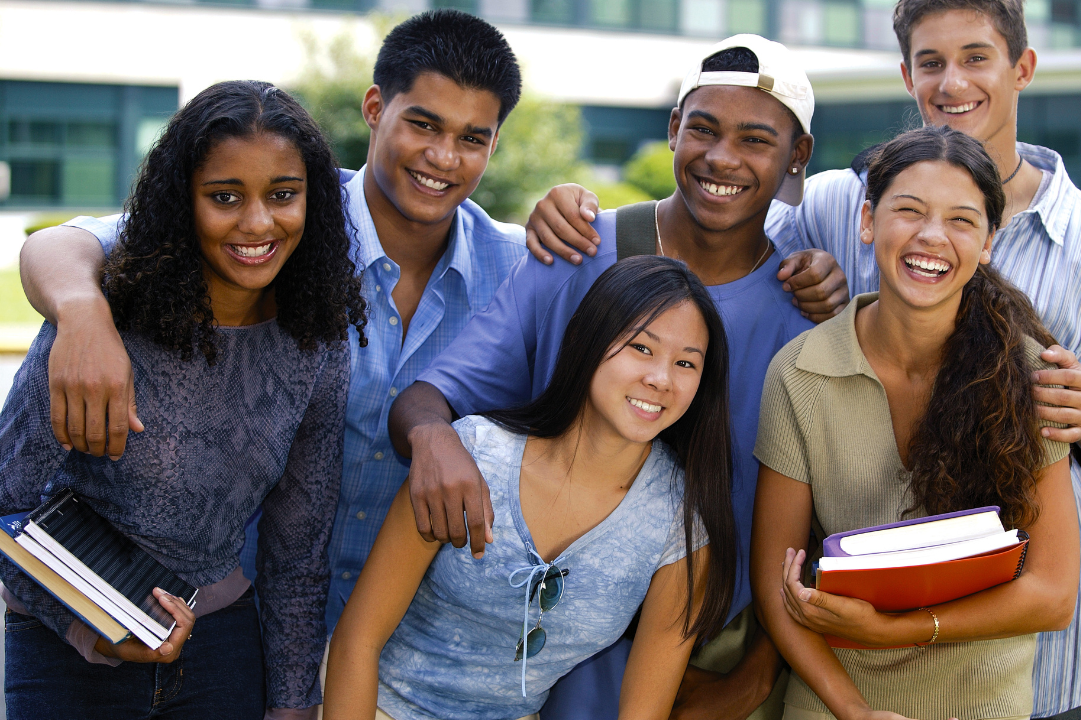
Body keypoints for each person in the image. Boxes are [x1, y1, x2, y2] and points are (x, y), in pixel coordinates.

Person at [18, 11, 848, 632]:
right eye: (422, 124)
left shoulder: (518, 261)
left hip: (412, 629)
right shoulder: (280, 223)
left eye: (472, 138)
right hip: (228, 613)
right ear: (376, 108)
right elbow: (62, 247)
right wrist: (86, 315)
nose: (443, 157)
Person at [527, 2, 1081, 717]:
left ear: (1021, 68)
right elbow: (723, 214)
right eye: (931, 62)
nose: (951, 81)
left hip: (1059, 655)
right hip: (851, 652)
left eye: (976, 57)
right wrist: (579, 215)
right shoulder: (841, 204)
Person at [388, 35, 821, 720]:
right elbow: (429, 399)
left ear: (798, 157)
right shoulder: (579, 250)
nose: (722, 158)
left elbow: (817, 518)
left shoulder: (804, 314)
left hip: (713, 653)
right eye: (702, 129)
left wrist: (760, 669)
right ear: (673, 129)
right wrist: (433, 437)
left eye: (756, 140)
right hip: (536, 652)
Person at [0, 80, 364, 719]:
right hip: (65, 652)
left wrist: (292, 704)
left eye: (283, 195)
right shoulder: (103, 319)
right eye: (224, 197)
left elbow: (298, 552)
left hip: (221, 654)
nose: (257, 223)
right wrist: (93, 629)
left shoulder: (316, 342)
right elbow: (5, 499)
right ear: (182, 200)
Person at [753, 125, 1079, 720]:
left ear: (987, 242)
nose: (932, 236)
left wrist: (898, 630)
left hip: (986, 706)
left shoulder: (1029, 375)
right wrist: (854, 710)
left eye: (961, 219)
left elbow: (1053, 595)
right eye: (909, 211)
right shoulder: (800, 373)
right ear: (867, 222)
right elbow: (778, 585)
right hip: (835, 707)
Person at [325, 256, 736, 720]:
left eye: (686, 363)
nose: (661, 379)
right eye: (642, 348)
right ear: (588, 340)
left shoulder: (680, 524)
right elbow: (357, 642)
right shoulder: (473, 456)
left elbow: (643, 713)